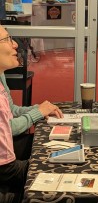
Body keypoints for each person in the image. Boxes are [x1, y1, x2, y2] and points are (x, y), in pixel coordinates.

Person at [0, 25, 63, 202]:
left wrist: (39, 109)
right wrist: (37, 113)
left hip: (7, 161)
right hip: (6, 169)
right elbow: (9, 127)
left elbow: (10, 112)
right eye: (7, 39)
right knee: (58, 169)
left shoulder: (0, 75)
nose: (15, 45)